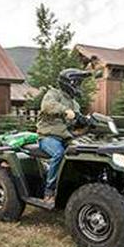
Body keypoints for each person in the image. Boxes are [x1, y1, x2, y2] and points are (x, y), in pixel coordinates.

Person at [36, 68, 91, 203]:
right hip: (48, 137)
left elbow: (77, 120)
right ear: (68, 82)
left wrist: (86, 120)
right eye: (77, 83)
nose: (78, 86)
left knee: (84, 152)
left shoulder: (75, 103)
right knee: (58, 153)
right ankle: (50, 191)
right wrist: (65, 110)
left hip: (66, 138)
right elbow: (48, 106)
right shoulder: (53, 94)